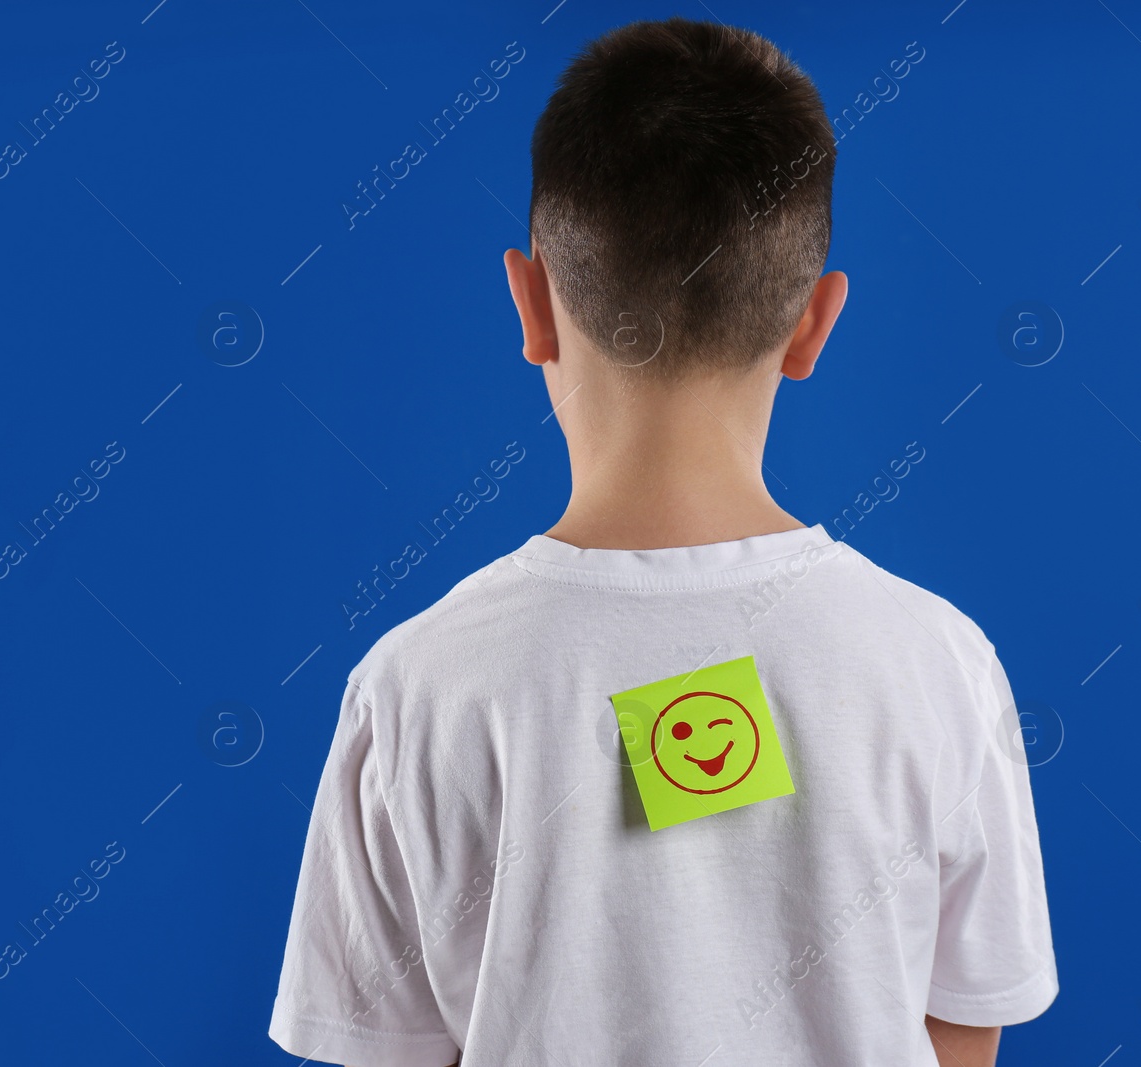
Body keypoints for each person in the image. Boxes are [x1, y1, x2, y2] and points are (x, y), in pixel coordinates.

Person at [268, 16, 1057, 1066]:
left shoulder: (415, 685)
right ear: (815, 324)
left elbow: (384, 1050)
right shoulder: (940, 662)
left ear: (531, 302)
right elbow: (965, 1024)